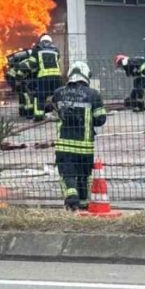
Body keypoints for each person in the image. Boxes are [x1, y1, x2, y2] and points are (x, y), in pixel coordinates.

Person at [47, 61, 107, 211]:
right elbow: (100, 119)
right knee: (84, 176)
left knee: (67, 174)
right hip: (85, 147)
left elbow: (49, 111)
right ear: (86, 75)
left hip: (64, 146)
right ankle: (84, 203)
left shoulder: (59, 93)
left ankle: (71, 199)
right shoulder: (93, 94)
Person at [23, 34, 63, 122]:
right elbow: (58, 62)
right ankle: (59, 115)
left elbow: (32, 63)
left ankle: (38, 117)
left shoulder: (37, 48)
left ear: (41, 41)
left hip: (44, 77)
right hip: (57, 77)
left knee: (40, 96)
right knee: (57, 95)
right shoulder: (55, 49)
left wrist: (24, 67)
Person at [4, 48, 36, 119]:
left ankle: (22, 112)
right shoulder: (29, 62)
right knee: (26, 94)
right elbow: (21, 72)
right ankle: (29, 114)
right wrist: (18, 81)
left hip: (11, 76)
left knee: (22, 94)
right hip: (13, 77)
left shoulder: (27, 60)